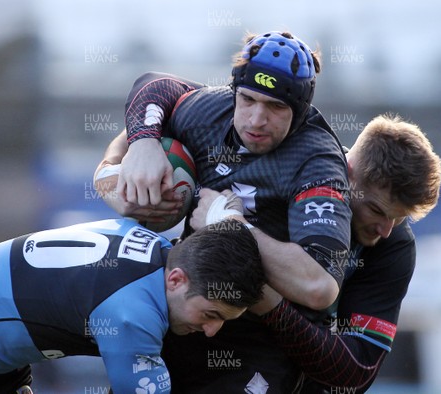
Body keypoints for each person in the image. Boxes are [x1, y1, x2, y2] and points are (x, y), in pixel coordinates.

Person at [95, 31, 353, 392]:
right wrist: (137, 146)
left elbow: (318, 286)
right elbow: (154, 85)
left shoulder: (317, 161)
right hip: (182, 316)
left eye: (276, 107)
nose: (256, 119)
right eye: (248, 99)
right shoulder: (211, 111)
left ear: (300, 111)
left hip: (257, 340)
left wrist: (230, 225)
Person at [218, 113, 441, 393]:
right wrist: (145, 139)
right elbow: (164, 88)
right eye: (376, 210)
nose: (385, 230)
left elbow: (356, 372)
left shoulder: (394, 245)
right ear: (345, 171)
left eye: (398, 218)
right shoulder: (293, 171)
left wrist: (268, 303)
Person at [0, 218, 265, 393]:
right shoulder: (133, 316)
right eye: (210, 315)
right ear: (176, 280)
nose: (211, 332)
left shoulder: (159, 246)